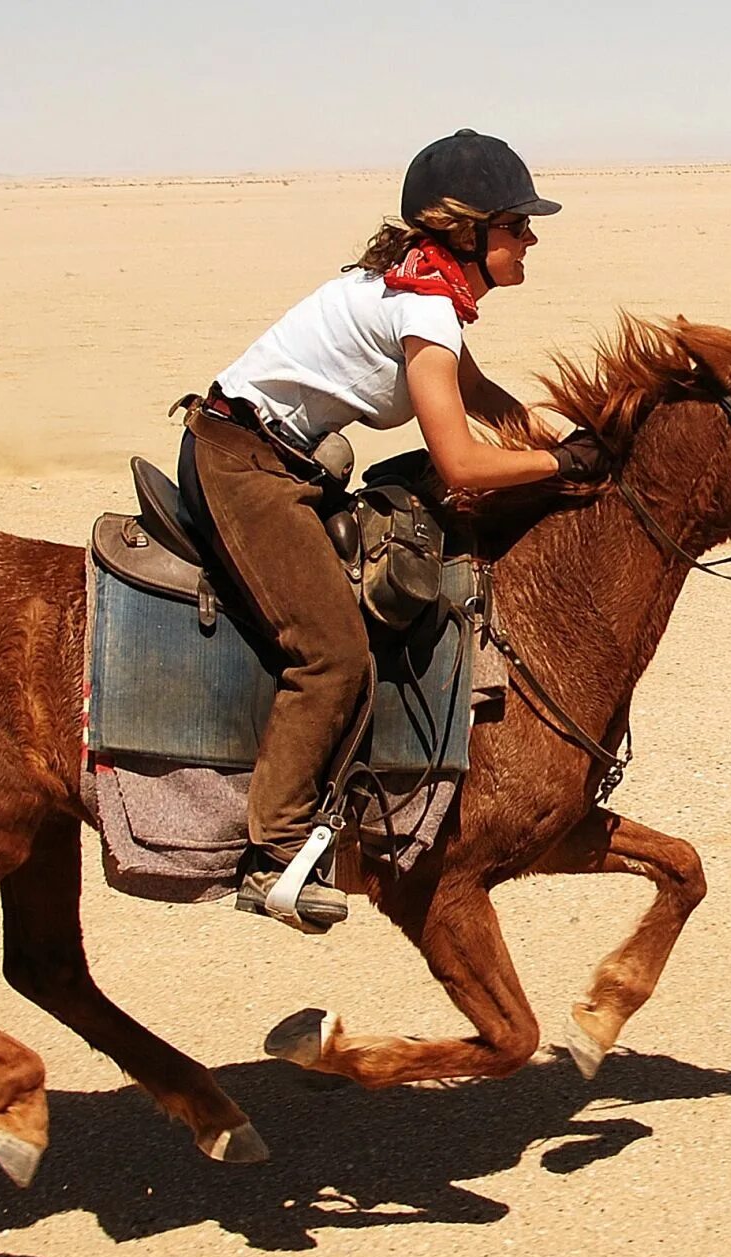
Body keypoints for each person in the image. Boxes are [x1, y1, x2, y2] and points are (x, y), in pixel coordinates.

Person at [186, 129, 602, 933]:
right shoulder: (426, 307)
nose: (532, 237)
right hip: (240, 465)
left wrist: (554, 436)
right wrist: (558, 468)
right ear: (467, 231)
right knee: (333, 653)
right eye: (518, 224)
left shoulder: (430, 293)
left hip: (285, 458)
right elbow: (462, 465)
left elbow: (474, 392)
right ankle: (273, 852)